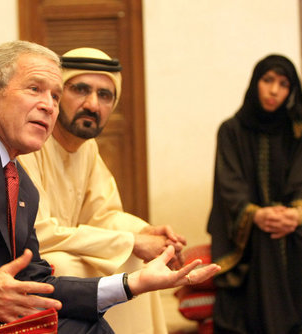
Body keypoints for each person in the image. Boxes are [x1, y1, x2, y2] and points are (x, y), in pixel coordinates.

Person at [0, 40, 221, 333]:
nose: (49, 105)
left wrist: (133, 283)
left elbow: (36, 278)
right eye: (35, 89)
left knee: (91, 325)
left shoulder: (22, 185)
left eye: (54, 94)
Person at [17, 47, 186, 334]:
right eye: (81, 90)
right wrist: (130, 241)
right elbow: (39, 234)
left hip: (65, 247)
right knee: (61, 265)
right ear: (57, 96)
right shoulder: (30, 141)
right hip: (23, 262)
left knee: (138, 259)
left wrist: (146, 234)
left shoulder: (88, 149)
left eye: (104, 95)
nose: (93, 105)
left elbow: (104, 215)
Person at [207, 54, 302, 333]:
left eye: (283, 84)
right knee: (267, 237)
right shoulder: (230, 130)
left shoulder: (297, 133)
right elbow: (229, 186)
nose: (274, 90)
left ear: (291, 91)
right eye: (268, 80)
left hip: (289, 224)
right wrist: (256, 214)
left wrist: (297, 213)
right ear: (256, 83)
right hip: (242, 228)